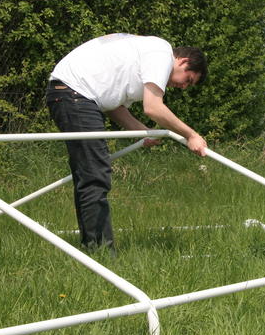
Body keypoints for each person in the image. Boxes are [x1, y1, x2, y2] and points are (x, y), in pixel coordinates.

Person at [46, 33, 208, 253]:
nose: (183, 87)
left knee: (91, 175)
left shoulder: (143, 60)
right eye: (188, 79)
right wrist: (191, 135)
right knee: (94, 175)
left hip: (74, 95)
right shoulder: (162, 52)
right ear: (183, 61)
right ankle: (100, 254)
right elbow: (153, 107)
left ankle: (95, 251)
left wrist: (142, 132)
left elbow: (113, 105)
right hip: (75, 94)